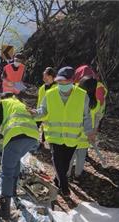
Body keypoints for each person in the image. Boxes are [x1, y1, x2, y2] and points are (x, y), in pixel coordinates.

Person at [31, 66, 94, 197]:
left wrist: (89, 131)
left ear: (72, 81)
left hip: (72, 137)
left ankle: (57, 179)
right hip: (55, 135)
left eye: (65, 82)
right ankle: (64, 187)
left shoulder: (82, 95)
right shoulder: (50, 94)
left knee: (65, 164)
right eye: (59, 82)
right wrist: (33, 114)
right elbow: (43, 111)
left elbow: (86, 116)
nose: (61, 84)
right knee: (57, 159)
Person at [0, 93, 39, 219]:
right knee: (15, 161)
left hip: (17, 135)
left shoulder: (2, 103)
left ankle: (4, 211)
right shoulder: (19, 104)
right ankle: (13, 191)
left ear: (2, 98)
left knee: (7, 172)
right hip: (32, 136)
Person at [69, 76, 102, 180]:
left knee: (70, 157)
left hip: (74, 134)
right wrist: (94, 131)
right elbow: (97, 117)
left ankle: (67, 175)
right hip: (87, 136)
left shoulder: (77, 101)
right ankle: (78, 175)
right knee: (81, 158)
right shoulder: (96, 103)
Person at [36, 67, 55, 147]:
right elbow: (39, 101)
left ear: (52, 77)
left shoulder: (57, 88)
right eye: (43, 77)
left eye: (46, 76)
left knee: (47, 129)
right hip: (40, 111)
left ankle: (44, 143)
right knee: (35, 126)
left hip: (51, 113)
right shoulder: (42, 88)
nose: (44, 79)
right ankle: (37, 142)